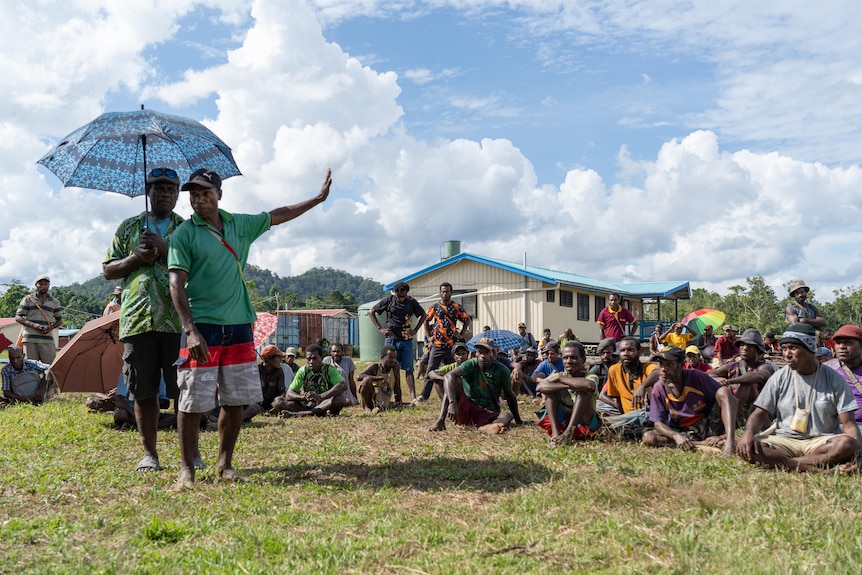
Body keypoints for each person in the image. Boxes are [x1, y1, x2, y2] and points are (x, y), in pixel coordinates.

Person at [168, 167, 331, 488]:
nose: (198, 200)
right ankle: (187, 469)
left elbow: (277, 215)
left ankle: (224, 464)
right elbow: (176, 283)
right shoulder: (184, 234)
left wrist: (316, 199)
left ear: (219, 195)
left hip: (240, 325)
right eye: (193, 195)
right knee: (191, 401)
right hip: (201, 327)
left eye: (204, 193)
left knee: (234, 400)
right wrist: (190, 329)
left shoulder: (239, 224)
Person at [103, 167, 186, 474]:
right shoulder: (129, 227)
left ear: (177, 195)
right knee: (143, 390)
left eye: (170, 189)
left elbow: (197, 266)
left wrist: (164, 249)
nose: (165, 194)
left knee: (183, 391)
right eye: (159, 189)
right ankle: (149, 454)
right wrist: (136, 258)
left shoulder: (187, 228)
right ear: (148, 192)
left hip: (177, 321)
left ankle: (188, 454)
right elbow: (109, 270)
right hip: (137, 319)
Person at [737, 324, 862, 472]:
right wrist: (748, 434)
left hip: (820, 441)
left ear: (810, 349)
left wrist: (858, 456)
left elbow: (849, 424)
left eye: (793, 348)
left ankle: (783, 463)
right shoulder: (779, 377)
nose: (786, 355)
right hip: (784, 440)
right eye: (784, 349)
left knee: (848, 444)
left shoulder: (834, 378)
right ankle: (819, 470)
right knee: (754, 447)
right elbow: (759, 413)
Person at [642, 346, 738, 457]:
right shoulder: (659, 388)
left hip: (709, 425)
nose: (663, 369)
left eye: (669, 364)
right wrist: (675, 435)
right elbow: (658, 423)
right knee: (648, 437)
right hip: (683, 431)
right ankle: (700, 444)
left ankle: (729, 442)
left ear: (681, 365)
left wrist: (724, 435)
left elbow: (729, 399)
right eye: (661, 364)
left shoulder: (697, 377)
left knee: (724, 391)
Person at [428, 337, 523, 434]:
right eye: (480, 352)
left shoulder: (502, 370)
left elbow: (509, 395)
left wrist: (519, 420)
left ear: (493, 353)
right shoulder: (470, 364)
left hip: (488, 411)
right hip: (467, 408)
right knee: (453, 380)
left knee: (507, 415)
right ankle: (440, 420)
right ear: (475, 354)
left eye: (486, 352)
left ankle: (489, 427)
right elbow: (449, 375)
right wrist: (452, 403)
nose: (483, 356)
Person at [370, 281, 426, 403]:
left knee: (409, 368)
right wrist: (380, 329)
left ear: (406, 293)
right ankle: (389, 394)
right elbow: (371, 312)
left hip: (406, 339)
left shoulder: (411, 302)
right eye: (398, 296)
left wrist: (415, 330)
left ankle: (412, 396)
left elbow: (423, 315)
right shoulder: (389, 300)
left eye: (403, 296)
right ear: (395, 293)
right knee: (389, 368)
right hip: (391, 339)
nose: (400, 299)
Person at [536, 341, 601, 444]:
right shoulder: (560, 375)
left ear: (583, 360)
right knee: (550, 392)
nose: (569, 361)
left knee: (582, 393)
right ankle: (556, 433)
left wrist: (559, 379)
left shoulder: (590, 377)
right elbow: (540, 387)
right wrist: (564, 383)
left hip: (584, 421)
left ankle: (568, 434)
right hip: (564, 419)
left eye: (574, 358)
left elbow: (589, 385)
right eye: (565, 358)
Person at [416, 282, 471, 404]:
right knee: (430, 370)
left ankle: (453, 394)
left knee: (453, 372)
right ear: (440, 293)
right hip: (437, 345)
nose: (444, 293)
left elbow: (467, 319)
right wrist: (428, 336)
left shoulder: (456, 307)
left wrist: (461, 334)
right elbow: (426, 319)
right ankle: (424, 396)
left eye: (447, 291)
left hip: (452, 346)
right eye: (442, 291)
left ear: (451, 293)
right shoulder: (435, 307)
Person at [709, 329, 774, 423]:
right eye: (742, 345)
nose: (745, 348)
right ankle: (719, 423)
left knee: (747, 384)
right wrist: (720, 379)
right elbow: (711, 374)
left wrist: (730, 381)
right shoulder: (733, 366)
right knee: (721, 390)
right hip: (735, 411)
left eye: (750, 346)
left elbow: (758, 376)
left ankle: (729, 425)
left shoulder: (765, 367)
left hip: (756, 414)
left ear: (758, 350)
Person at [273, 344, 349, 417]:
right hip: (306, 404)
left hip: (324, 402)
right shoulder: (303, 371)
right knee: (278, 401)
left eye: (314, 358)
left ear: (322, 357)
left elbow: (342, 385)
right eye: (309, 359)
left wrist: (321, 396)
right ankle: (313, 412)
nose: (311, 362)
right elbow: (289, 394)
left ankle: (300, 414)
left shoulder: (329, 369)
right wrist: (304, 397)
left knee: (340, 398)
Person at [601, 336, 658, 415]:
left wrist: (642, 386)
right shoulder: (614, 370)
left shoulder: (646, 367)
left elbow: (657, 372)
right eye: (622, 350)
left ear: (639, 352)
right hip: (628, 415)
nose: (626, 354)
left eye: (630, 350)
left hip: (645, 413)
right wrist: (622, 416)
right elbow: (617, 398)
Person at [15, 275, 62, 363]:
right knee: (31, 367)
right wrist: (33, 325)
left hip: (47, 339)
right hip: (30, 339)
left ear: (49, 285)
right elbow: (18, 317)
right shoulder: (28, 299)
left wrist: (50, 328)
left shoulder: (54, 302)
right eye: (40, 284)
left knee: (49, 368)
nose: (43, 286)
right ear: (36, 285)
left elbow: (59, 320)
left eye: (46, 284)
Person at [824, 324, 862, 434]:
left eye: (847, 342)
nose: (841, 346)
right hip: (834, 428)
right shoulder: (826, 370)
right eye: (838, 343)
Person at [357, 344, 401, 412]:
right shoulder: (375, 367)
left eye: (395, 357)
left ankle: (380, 407)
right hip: (370, 399)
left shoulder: (395, 367)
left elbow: (397, 385)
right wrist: (380, 378)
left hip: (383, 401)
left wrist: (398, 401)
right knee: (367, 379)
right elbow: (359, 376)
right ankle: (367, 407)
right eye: (390, 358)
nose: (393, 360)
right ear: (382, 357)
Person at [258, 345, 286, 412]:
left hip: (272, 404)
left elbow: (281, 392)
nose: (280, 360)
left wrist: (275, 404)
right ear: (270, 359)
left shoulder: (279, 371)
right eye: (278, 357)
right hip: (256, 404)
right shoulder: (256, 370)